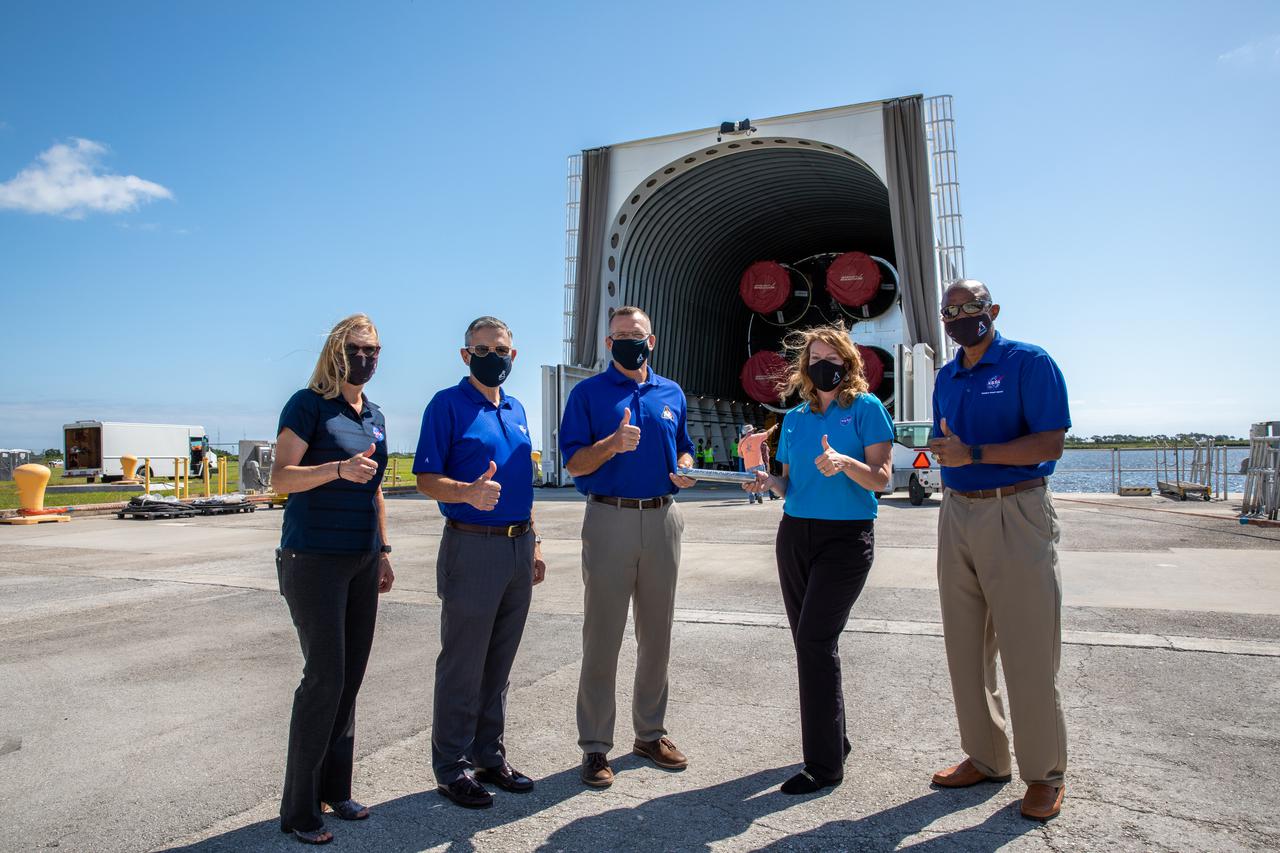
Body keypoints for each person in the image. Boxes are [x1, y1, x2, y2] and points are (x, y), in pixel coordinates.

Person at [927, 280, 1070, 822]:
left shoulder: (1029, 364)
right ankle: (986, 756)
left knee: (1028, 651)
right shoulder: (947, 375)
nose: (960, 316)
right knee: (965, 648)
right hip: (957, 510)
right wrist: (944, 452)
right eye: (951, 311)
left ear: (993, 311)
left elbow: (1051, 443)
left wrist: (975, 452)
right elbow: (953, 445)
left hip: (1016, 509)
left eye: (970, 307)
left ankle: (1044, 774)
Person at [743, 324, 892, 795]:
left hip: (846, 540)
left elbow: (883, 479)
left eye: (831, 358)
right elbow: (789, 484)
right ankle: (835, 741)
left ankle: (824, 766)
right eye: (814, 359)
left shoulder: (866, 409)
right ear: (805, 369)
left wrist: (847, 464)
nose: (822, 365)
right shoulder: (795, 420)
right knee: (810, 644)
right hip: (795, 535)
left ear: (847, 363)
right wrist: (767, 482)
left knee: (814, 642)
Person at [558, 306, 697, 788]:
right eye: (618, 336)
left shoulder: (671, 393)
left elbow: (684, 445)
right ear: (607, 344)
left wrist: (684, 461)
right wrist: (611, 445)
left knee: (656, 634)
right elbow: (574, 463)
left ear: (651, 341)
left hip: (662, 518)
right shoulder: (588, 394)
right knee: (603, 636)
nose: (627, 343)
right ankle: (595, 746)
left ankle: (650, 733)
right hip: (609, 517)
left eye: (634, 336)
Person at [271, 313, 395, 845]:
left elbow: (377, 490)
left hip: (362, 559)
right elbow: (280, 477)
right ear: (335, 351)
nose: (366, 358)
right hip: (313, 558)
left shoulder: (376, 415)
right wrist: (337, 470)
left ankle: (335, 790)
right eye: (357, 348)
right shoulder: (307, 405)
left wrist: (384, 550)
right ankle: (299, 809)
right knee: (323, 679)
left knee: (350, 679)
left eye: (374, 349)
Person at [414, 316, 546, 809]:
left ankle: (489, 754)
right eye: (484, 349)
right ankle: (451, 766)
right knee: (463, 663)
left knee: (499, 662)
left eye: (504, 350)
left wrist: (533, 542)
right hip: (471, 546)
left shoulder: (516, 409)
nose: (496, 357)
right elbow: (427, 477)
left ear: (515, 356)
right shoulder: (447, 405)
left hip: (516, 546)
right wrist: (465, 492)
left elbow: (521, 483)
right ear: (466, 355)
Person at [739, 424, 777, 504]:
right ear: (752, 431)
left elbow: (740, 454)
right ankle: (759, 495)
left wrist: (748, 455)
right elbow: (768, 433)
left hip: (748, 465)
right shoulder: (757, 437)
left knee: (749, 482)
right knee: (760, 481)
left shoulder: (741, 442)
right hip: (759, 464)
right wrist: (774, 427)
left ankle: (751, 498)